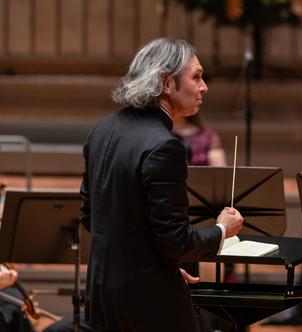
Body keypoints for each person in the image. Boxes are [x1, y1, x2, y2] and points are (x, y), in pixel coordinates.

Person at [80, 37, 244, 332]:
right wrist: (222, 229)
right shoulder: (164, 146)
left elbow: (90, 217)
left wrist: (157, 267)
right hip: (148, 306)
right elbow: (175, 242)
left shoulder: (102, 129)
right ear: (167, 84)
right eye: (196, 77)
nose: (204, 87)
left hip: (101, 296)